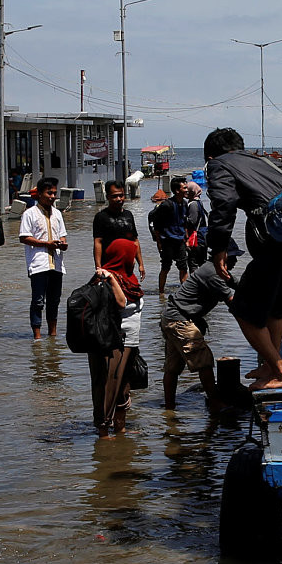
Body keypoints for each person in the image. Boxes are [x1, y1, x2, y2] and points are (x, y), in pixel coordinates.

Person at [204, 127, 282, 391]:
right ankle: (270, 366)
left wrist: (218, 248)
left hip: (281, 247)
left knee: (243, 308)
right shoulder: (267, 161)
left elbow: (223, 205)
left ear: (211, 156)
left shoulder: (218, 165)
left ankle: (281, 372)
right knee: (276, 309)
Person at [161, 242, 236, 407]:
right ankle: (216, 404)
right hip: (180, 319)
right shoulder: (213, 273)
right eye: (233, 256)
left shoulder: (216, 270)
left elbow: (236, 285)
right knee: (204, 360)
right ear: (222, 256)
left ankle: (169, 408)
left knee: (173, 367)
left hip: (171, 317)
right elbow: (233, 303)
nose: (236, 261)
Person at [87, 238, 145, 436]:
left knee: (123, 388)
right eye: (131, 256)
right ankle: (103, 435)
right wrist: (111, 278)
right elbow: (121, 303)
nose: (135, 260)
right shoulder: (104, 279)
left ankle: (120, 429)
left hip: (129, 342)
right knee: (107, 388)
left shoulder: (130, 279)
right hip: (111, 343)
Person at [19, 178, 68, 341]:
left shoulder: (58, 213)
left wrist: (62, 243)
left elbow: (62, 234)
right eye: (49, 193)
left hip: (57, 264)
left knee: (54, 301)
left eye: (54, 193)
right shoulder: (30, 214)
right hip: (38, 264)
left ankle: (52, 335)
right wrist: (46, 244)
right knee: (38, 301)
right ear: (40, 194)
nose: (53, 196)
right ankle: (37, 337)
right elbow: (24, 237)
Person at [90, 180, 143, 278]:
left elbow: (135, 240)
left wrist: (141, 264)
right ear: (107, 197)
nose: (119, 199)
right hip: (109, 265)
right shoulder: (101, 217)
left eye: (121, 195)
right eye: (114, 196)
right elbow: (98, 242)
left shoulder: (129, 215)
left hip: (128, 265)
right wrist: (98, 267)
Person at [149, 180, 189, 288]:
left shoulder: (185, 204)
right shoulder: (166, 205)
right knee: (166, 267)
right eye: (184, 188)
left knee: (183, 267)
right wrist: (159, 243)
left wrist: (187, 238)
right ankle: (161, 293)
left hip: (180, 240)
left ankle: (185, 293)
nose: (187, 190)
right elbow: (157, 225)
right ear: (177, 191)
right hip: (167, 241)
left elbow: (185, 222)